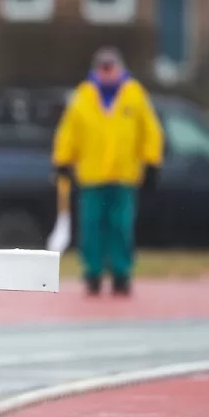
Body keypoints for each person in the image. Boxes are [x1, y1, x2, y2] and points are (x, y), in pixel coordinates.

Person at [51, 47, 163, 296]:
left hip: (124, 176)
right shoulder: (82, 96)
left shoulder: (134, 95)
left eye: (111, 67)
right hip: (92, 176)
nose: (107, 72)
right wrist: (62, 161)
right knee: (91, 228)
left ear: (119, 68)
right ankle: (93, 273)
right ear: (96, 70)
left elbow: (150, 131)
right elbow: (69, 132)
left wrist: (152, 162)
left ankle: (122, 274)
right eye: (103, 67)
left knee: (121, 227)